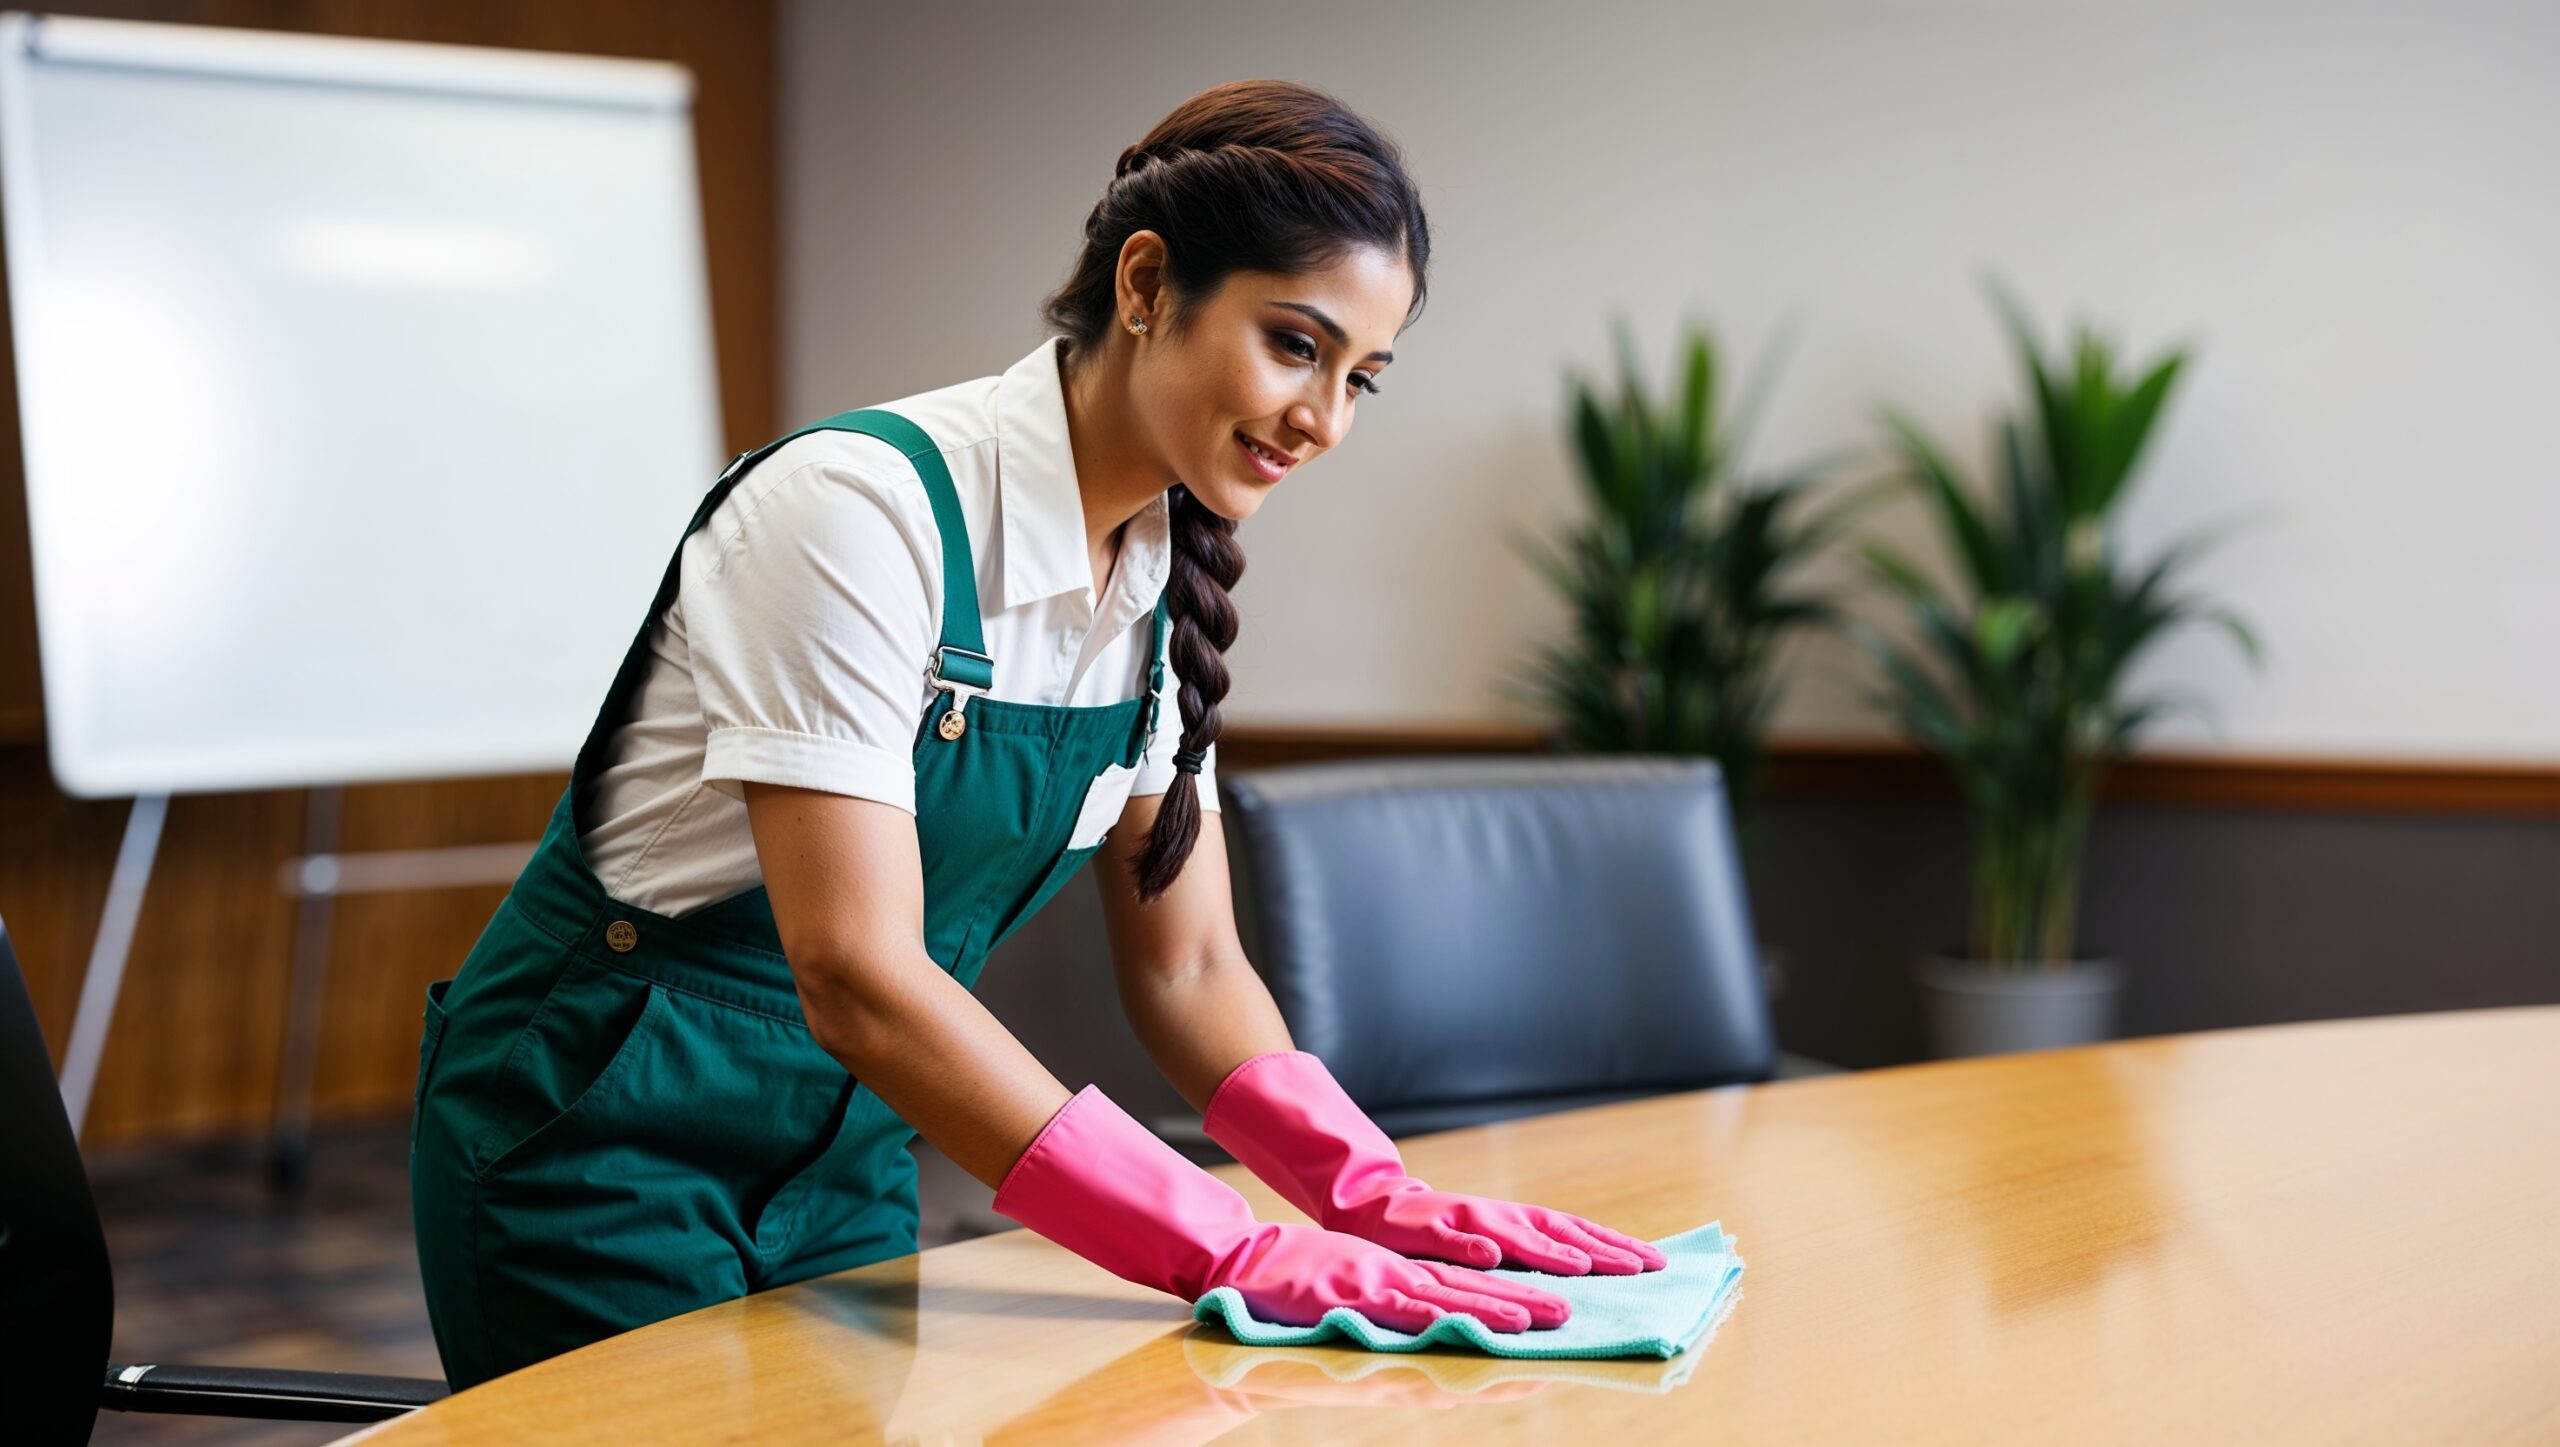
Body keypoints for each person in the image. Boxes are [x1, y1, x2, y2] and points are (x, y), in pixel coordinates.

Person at [409, 78, 1664, 1391]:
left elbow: (1186, 970)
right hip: (594, 1136)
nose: (1325, 420)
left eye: (1364, 378)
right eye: (1296, 346)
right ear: (1144, 282)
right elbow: (854, 969)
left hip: (846, 1148)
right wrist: (1220, 1244)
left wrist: (1378, 1196)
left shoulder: (1161, 581)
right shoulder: (858, 513)